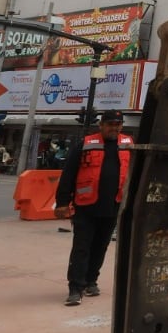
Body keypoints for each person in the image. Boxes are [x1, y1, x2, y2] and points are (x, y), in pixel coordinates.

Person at [55, 110, 132, 306]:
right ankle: (75, 288)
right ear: (101, 125)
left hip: (113, 206)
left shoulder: (128, 145)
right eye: (110, 124)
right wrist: (63, 202)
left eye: (117, 124)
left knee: (100, 247)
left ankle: (91, 281)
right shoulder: (85, 145)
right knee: (82, 248)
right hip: (86, 207)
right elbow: (68, 174)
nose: (114, 128)